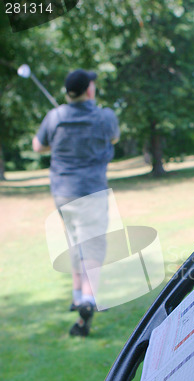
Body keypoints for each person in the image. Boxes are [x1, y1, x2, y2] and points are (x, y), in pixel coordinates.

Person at [33, 69, 120, 337]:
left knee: (74, 242)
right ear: (89, 90)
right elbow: (114, 138)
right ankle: (88, 299)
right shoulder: (105, 117)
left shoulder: (55, 117)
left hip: (62, 193)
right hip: (91, 191)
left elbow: (38, 146)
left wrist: (58, 139)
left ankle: (76, 295)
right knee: (93, 244)